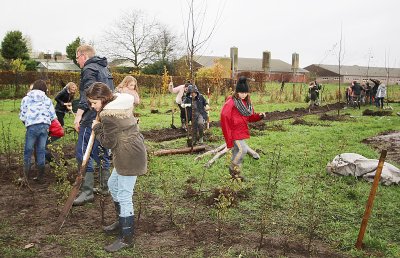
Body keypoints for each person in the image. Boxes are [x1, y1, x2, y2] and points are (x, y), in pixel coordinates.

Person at [87, 82, 147, 252]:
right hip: (128, 151)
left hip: (129, 155)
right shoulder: (120, 104)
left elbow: (108, 142)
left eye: (94, 102)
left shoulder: (109, 115)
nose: (92, 106)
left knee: (125, 194)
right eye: (91, 103)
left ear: (103, 99)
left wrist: (97, 128)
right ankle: (122, 220)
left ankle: (127, 237)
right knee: (113, 185)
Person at [73, 44, 114, 206]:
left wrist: (78, 116)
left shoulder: (89, 68)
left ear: (83, 55)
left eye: (77, 58)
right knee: (103, 150)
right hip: (104, 115)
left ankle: (87, 191)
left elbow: (87, 93)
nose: (78, 62)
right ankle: (105, 187)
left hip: (91, 116)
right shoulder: (105, 68)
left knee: (83, 152)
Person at [220, 76, 265, 181]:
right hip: (234, 131)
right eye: (241, 93)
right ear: (237, 92)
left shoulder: (247, 103)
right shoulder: (231, 102)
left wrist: (259, 116)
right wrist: (228, 139)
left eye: (245, 93)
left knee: (237, 153)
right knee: (243, 150)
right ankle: (232, 168)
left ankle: (236, 175)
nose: (244, 95)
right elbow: (224, 118)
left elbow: (250, 117)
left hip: (242, 130)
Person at [19, 79, 56, 183]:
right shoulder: (47, 100)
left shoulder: (26, 99)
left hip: (32, 126)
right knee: (41, 151)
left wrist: (28, 124)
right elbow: (53, 116)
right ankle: (40, 177)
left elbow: (22, 116)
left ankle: (25, 177)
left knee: (28, 151)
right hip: (45, 126)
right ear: (44, 88)